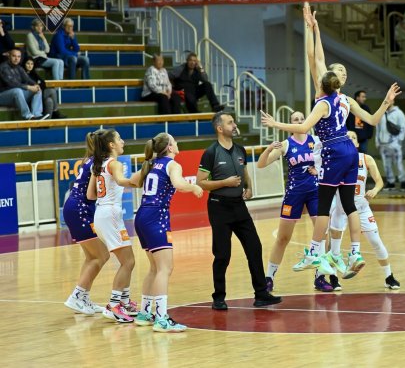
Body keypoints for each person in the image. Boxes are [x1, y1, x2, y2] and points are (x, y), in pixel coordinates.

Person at [263, 4, 401, 279]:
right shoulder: (344, 99)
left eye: (343, 73)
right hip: (347, 150)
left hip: (331, 150)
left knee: (326, 205)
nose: (341, 74)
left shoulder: (329, 98)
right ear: (333, 78)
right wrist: (313, 28)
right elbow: (316, 58)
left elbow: (315, 63)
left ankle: (317, 252)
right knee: (347, 203)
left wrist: (276, 124)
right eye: (338, 71)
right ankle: (351, 252)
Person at [196, 113, 281, 310]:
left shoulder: (240, 149)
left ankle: (261, 294)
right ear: (219, 128)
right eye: (230, 122)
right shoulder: (211, 153)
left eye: (233, 122)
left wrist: (249, 187)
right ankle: (218, 297)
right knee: (222, 254)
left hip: (239, 206)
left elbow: (244, 173)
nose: (234, 125)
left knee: (255, 247)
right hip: (219, 207)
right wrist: (225, 183)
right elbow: (201, 183)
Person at [132, 133, 204, 332]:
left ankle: (146, 313)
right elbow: (179, 185)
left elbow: (130, 181)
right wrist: (194, 187)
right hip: (156, 217)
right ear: (170, 147)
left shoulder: (150, 164)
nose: (177, 143)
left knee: (154, 269)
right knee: (165, 268)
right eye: (175, 141)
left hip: (141, 216)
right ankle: (162, 319)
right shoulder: (173, 165)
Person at [256, 111, 332, 292]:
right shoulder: (285, 144)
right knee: (283, 238)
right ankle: (269, 277)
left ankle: (320, 277)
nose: (299, 121)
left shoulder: (316, 141)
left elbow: (329, 162)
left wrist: (319, 170)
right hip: (294, 194)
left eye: (302, 118)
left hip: (315, 193)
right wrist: (267, 149)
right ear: (291, 123)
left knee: (322, 234)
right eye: (295, 119)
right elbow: (261, 164)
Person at [329, 131, 401, 290]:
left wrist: (375, 190)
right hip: (341, 209)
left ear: (357, 143)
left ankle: (389, 276)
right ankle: (333, 277)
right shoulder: (335, 160)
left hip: (361, 208)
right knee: (335, 246)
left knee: (376, 241)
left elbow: (379, 181)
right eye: (346, 137)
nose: (350, 139)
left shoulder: (366, 159)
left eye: (353, 137)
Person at [87, 129, 139, 323]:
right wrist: (139, 180)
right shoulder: (114, 163)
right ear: (111, 145)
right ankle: (114, 305)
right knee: (128, 262)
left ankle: (123, 302)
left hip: (104, 213)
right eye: (119, 139)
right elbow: (121, 181)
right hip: (110, 214)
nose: (122, 141)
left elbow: (91, 195)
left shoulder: (98, 165)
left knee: (129, 260)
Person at [63, 131, 108, 316]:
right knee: (102, 255)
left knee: (92, 257)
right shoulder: (99, 163)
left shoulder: (89, 160)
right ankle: (77, 296)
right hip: (80, 210)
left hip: (75, 208)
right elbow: (91, 195)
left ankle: (82, 298)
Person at [0, 49, 47, 120]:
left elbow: (27, 79)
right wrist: (28, 87)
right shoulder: (3, 67)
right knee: (17, 90)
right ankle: (28, 116)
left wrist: (35, 85)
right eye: (14, 56)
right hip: (3, 96)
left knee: (37, 90)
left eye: (18, 57)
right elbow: (12, 84)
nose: (16, 59)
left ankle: (36, 114)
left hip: (16, 95)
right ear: (9, 56)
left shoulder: (19, 67)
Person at [376, 98, 405, 190]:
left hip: (394, 144)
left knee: (398, 163)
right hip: (383, 144)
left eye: (390, 100)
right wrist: (377, 141)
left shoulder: (399, 113)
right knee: (386, 164)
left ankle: (403, 181)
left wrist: (398, 141)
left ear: (393, 101)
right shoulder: (381, 113)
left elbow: (403, 128)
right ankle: (391, 182)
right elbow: (378, 129)